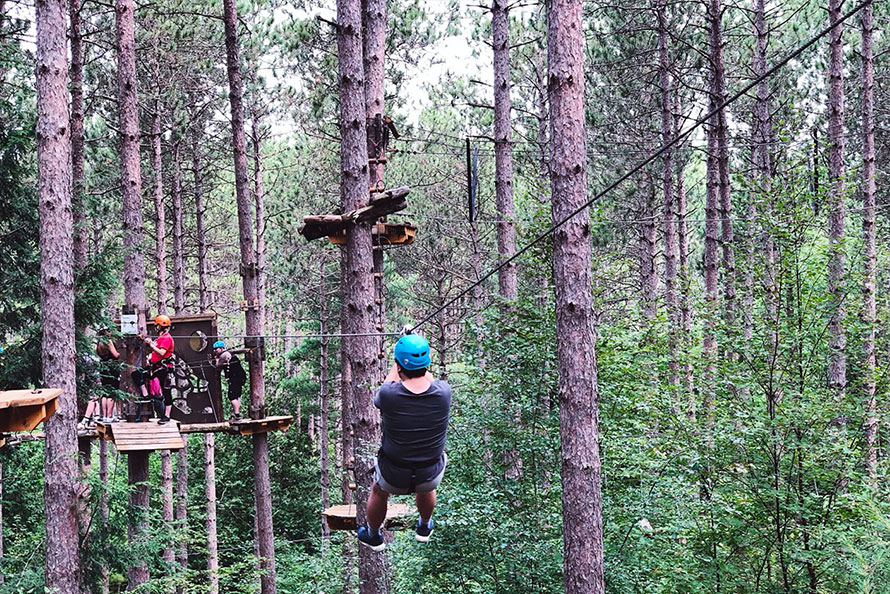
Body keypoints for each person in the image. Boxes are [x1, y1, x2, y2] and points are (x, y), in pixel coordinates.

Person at [356, 334, 452, 552]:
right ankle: (425, 527)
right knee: (426, 488)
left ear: (399, 365)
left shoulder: (390, 395)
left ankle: (372, 535)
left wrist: (399, 355)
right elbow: (428, 378)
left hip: (393, 475)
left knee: (379, 490)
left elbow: (389, 383)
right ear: (426, 364)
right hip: (430, 474)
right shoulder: (444, 393)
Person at [131, 315, 176, 424]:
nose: (156, 327)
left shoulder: (167, 338)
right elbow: (155, 346)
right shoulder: (161, 338)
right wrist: (147, 341)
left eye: (157, 325)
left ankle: (167, 416)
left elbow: (162, 353)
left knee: (166, 392)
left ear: (161, 326)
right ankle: (145, 394)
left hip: (163, 368)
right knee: (136, 374)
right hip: (154, 367)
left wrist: (151, 344)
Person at [209, 340, 245, 421]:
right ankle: (236, 413)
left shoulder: (224, 355)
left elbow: (217, 367)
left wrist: (216, 360)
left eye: (216, 349)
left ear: (221, 348)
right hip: (239, 377)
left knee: (232, 396)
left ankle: (237, 414)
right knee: (237, 395)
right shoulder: (229, 353)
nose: (215, 351)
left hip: (235, 377)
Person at [95, 328, 121, 422]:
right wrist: (118, 354)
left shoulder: (99, 342)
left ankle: (104, 415)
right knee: (111, 392)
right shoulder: (108, 341)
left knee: (105, 393)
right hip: (111, 368)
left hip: (103, 367)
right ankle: (110, 416)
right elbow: (115, 355)